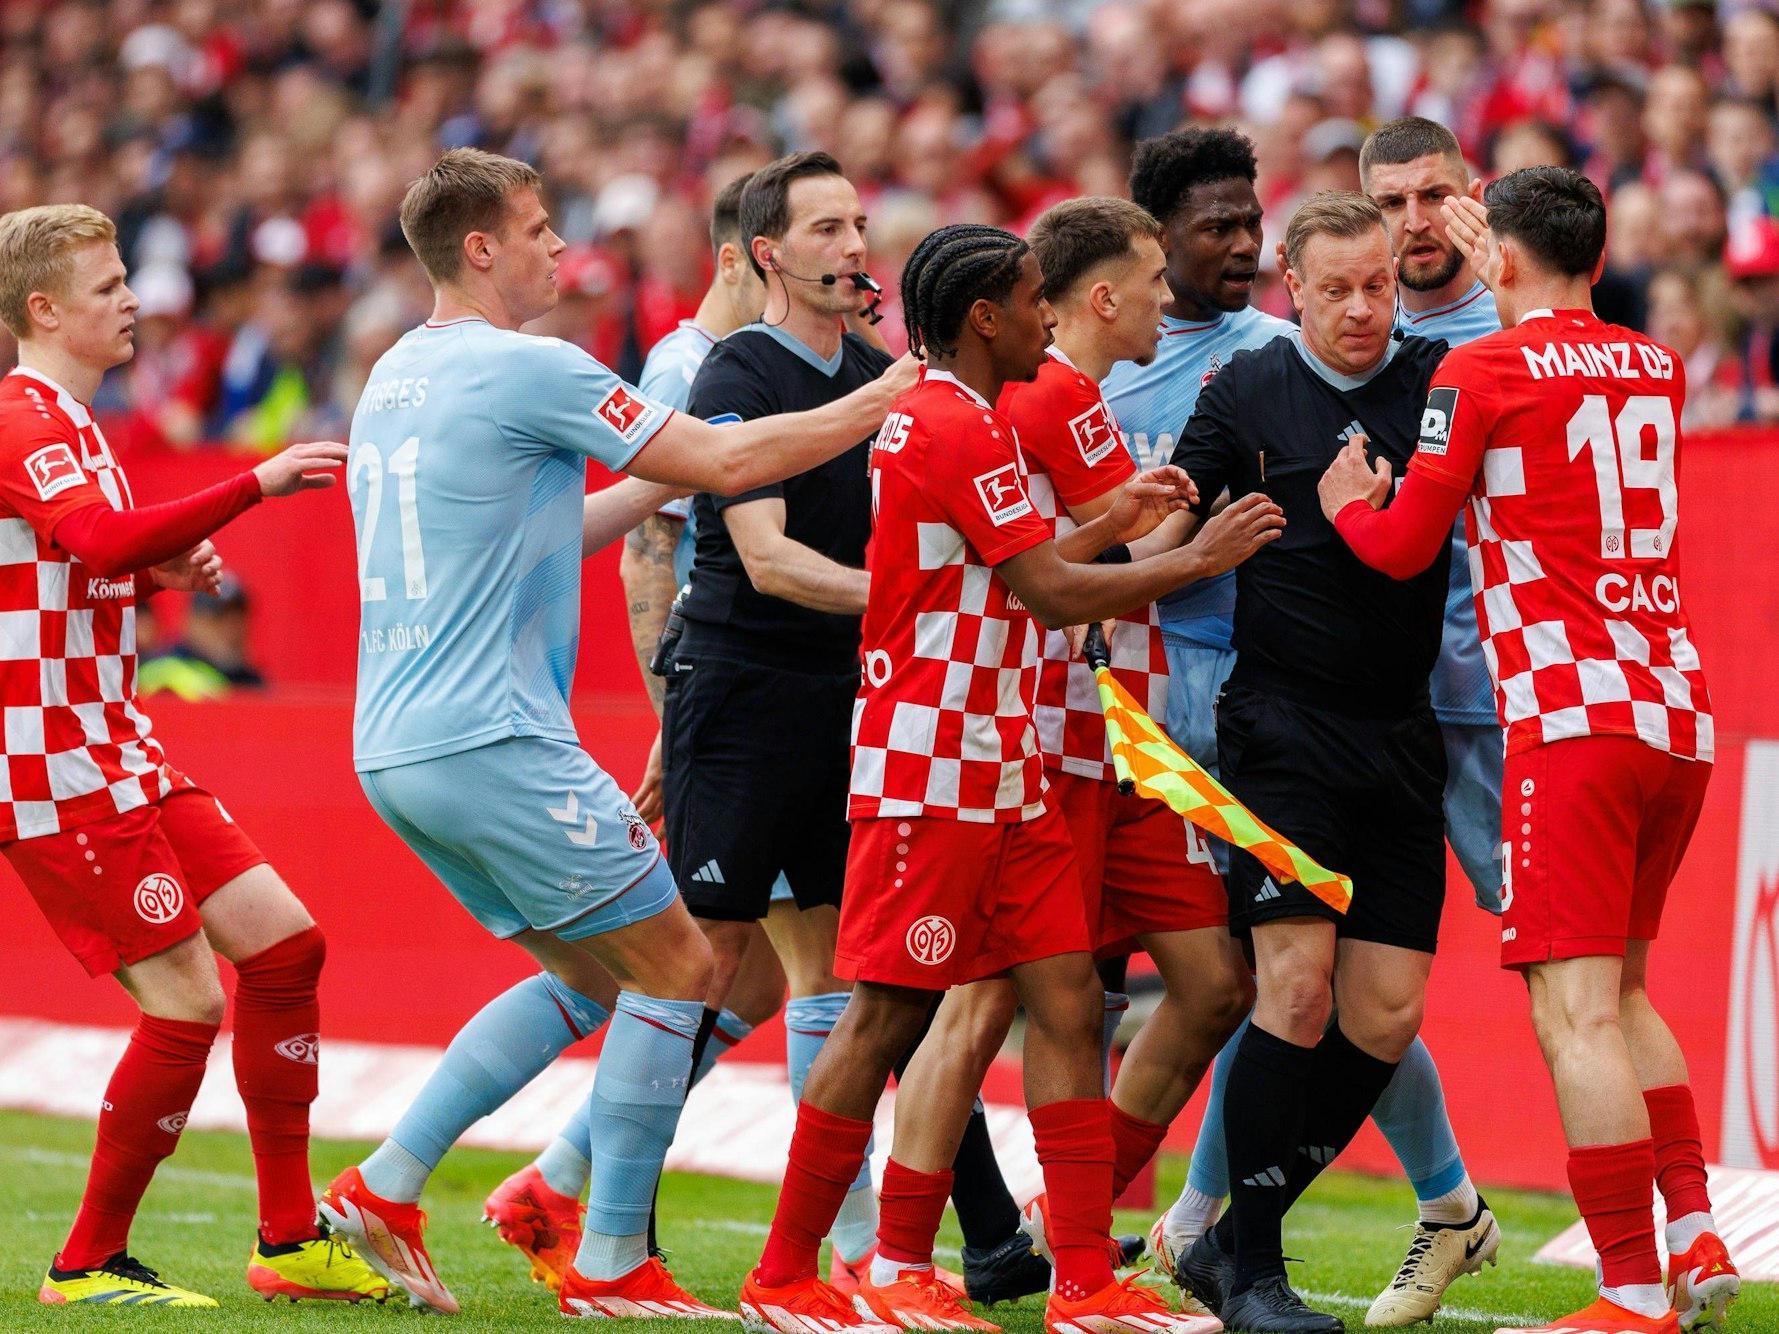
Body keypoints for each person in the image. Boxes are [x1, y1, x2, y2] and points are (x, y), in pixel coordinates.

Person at [320, 147, 915, 1319]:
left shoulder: (399, 368)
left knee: (595, 973)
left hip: (396, 739)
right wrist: (882, 396)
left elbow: (559, 525)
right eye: (539, 230)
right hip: (494, 735)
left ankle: (389, 1188)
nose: (560, 250)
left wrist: (670, 469)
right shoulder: (529, 364)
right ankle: (607, 1259)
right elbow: (734, 458)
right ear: (480, 248)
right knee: (692, 964)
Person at [737, 221, 1282, 1334]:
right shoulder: (953, 424)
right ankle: (792, 1276)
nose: (1051, 316)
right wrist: (1196, 554)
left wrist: (1125, 518)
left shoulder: (968, 420)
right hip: (934, 762)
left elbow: (1015, 567)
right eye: (1036, 299)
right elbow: (1043, 589)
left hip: (1007, 758)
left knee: (1072, 997)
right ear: (987, 318)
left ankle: (1083, 1280)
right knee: (887, 1014)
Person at [1321, 166, 1741, 1334]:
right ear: (1600, 258)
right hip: (1674, 707)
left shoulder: (1482, 366)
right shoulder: (1651, 357)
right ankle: (1695, 1227)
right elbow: (1573, 318)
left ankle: (1630, 1288)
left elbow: (1407, 545)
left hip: (1569, 715)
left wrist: (1354, 496)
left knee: (1574, 1013)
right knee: (1630, 988)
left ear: (1495, 254)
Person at [1120, 130, 1491, 1327]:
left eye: (1378, 284)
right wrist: (1121, 556)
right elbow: (1171, 527)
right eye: (1334, 289)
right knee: (1294, 988)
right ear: (1295, 290)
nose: (1360, 309)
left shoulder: (1440, 377)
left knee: (1384, 1013)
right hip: (1278, 725)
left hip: (1402, 733)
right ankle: (1257, 1271)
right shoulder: (1246, 388)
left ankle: (1230, 1234)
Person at [0, 203, 387, 1308]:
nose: (134, 298)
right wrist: (248, 487)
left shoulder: (81, 425)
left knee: (283, 946)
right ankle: (86, 1264)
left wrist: (155, 575)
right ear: (45, 308)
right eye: (111, 283)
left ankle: (287, 1238)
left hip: (117, 743)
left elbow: (82, 568)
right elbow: (97, 539)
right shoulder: (23, 418)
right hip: (54, 764)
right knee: (183, 1003)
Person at [477, 171, 784, 1297]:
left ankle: (557, 1178)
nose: (852, 263)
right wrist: (676, 708)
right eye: (827, 235)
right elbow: (647, 546)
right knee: (726, 966)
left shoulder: (764, 359)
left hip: (771, 699)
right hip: (730, 700)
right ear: (756, 252)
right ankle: (828, 1255)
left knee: (749, 975)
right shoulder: (689, 370)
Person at [994, 198, 1251, 1316]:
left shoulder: (1063, 395)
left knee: (1209, 984)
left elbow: (1074, 547)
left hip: (1117, 742)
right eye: (1150, 278)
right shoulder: (1054, 394)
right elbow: (1056, 575)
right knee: (984, 1010)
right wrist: (1202, 546)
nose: (1165, 296)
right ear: (1101, 297)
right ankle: (899, 1251)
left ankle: (1069, 1226)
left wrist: (1153, 521)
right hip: (1046, 742)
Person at [1354, 114, 1509, 1325]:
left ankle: (1677, 1238)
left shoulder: (1516, 327)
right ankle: (1450, 1203)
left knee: (1578, 971)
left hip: (1500, 700)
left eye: (1433, 196)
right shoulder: (1356, 326)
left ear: (1473, 197)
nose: (1414, 221)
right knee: (1319, 976)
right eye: (1393, 200)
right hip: (1377, 708)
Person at [139, 573, 266, 700]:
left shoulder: (253, 681)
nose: (231, 629)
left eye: (238, 618)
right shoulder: (162, 671)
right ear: (190, 621)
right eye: (219, 618)